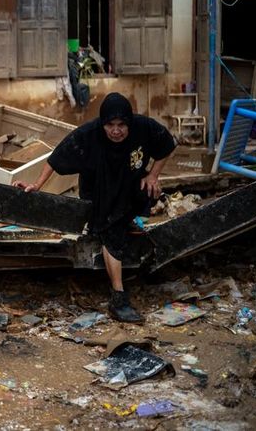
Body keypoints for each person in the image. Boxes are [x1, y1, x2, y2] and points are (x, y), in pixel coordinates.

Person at [13, 92, 176, 322]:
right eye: (110, 125)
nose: (116, 131)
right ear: (103, 124)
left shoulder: (144, 127)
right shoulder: (88, 135)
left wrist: (153, 176)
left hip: (128, 182)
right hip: (98, 191)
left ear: (129, 122)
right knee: (111, 229)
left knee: (147, 191)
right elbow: (55, 159)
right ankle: (118, 297)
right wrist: (36, 185)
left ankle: (125, 218)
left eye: (121, 125)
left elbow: (168, 144)